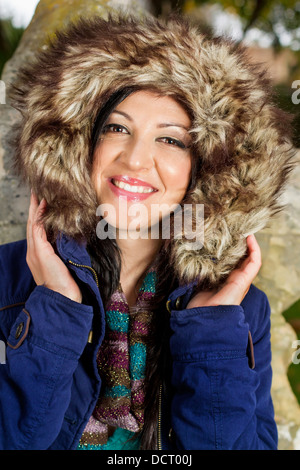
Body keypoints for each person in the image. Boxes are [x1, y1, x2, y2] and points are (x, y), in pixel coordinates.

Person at [0, 12, 296, 450]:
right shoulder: (9, 277)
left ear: (211, 168)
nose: (136, 159)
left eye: (171, 139)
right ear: (80, 143)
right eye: (116, 128)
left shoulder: (240, 307)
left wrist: (211, 329)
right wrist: (56, 309)